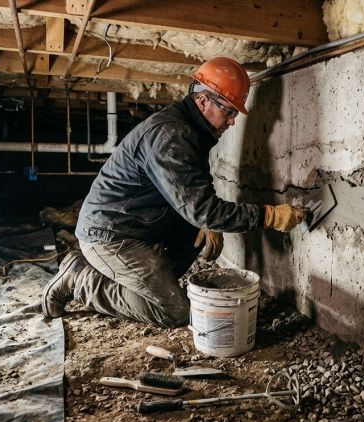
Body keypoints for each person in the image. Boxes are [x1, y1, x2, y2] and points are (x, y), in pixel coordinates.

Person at [40, 57, 304, 328]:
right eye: (229, 112)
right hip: (111, 235)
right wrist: (267, 216)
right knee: (175, 312)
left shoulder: (189, 130)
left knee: (195, 236)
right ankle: (80, 280)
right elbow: (202, 210)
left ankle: (136, 281)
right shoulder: (172, 137)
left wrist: (205, 221)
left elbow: (195, 187)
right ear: (203, 101)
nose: (233, 121)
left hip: (136, 225)